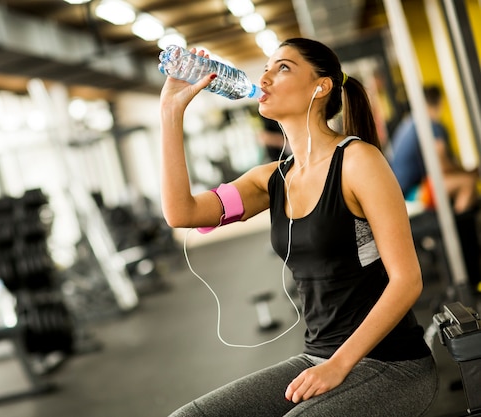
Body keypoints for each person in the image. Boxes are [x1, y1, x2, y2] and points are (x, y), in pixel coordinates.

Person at [159, 38, 437, 416]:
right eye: (268, 67)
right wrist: (171, 110)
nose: (266, 76)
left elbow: (408, 281)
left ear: (320, 87)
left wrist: (338, 366)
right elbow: (182, 213)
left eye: (283, 67)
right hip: (315, 359)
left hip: (390, 364)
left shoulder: (358, 162)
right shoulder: (270, 180)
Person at [389, 85, 478, 215]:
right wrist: (470, 172)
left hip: (400, 192)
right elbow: (443, 167)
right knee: (468, 183)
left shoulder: (409, 122)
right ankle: (458, 230)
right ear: (439, 103)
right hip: (412, 193)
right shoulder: (431, 125)